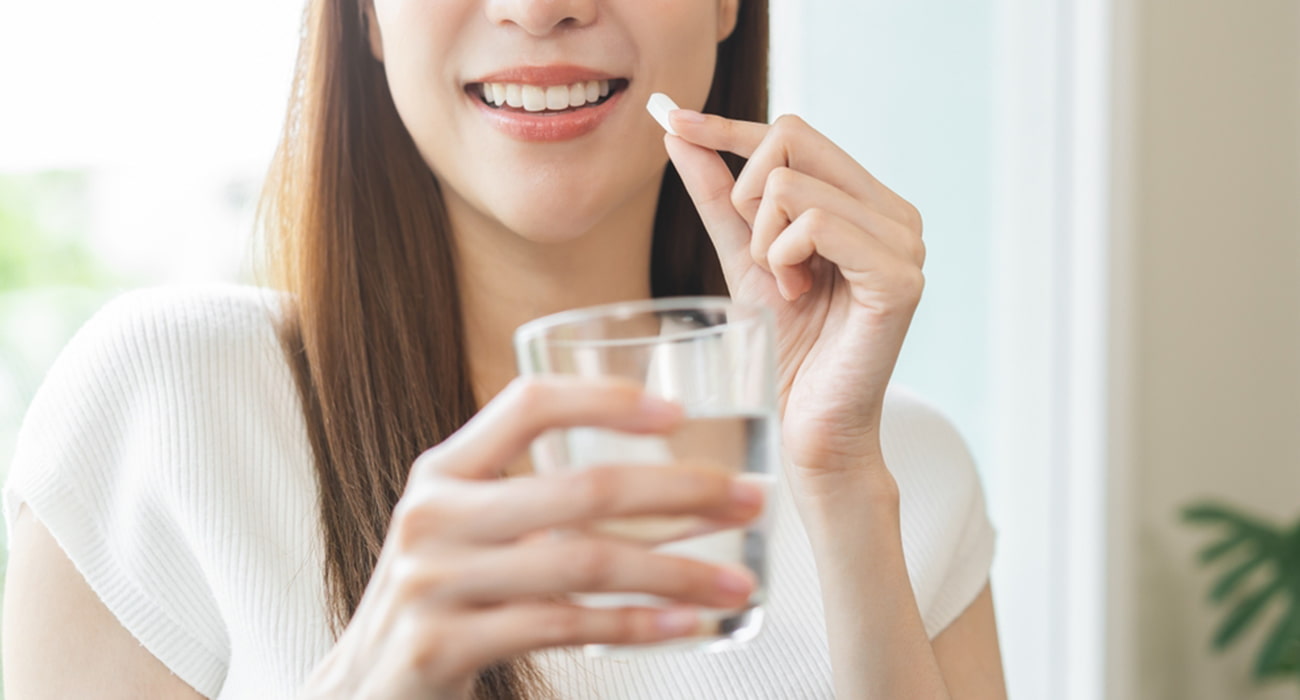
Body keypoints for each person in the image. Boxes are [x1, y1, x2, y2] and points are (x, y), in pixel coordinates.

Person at [3, 1, 1008, 698]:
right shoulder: (173, 409)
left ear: (724, 2)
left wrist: (842, 486)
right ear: (364, 14)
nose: (541, 6)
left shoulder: (900, 472)